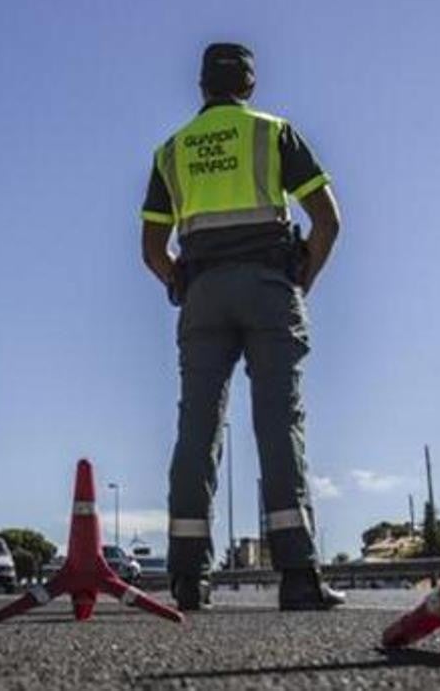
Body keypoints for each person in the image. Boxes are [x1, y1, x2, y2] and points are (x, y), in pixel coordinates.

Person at [140, 43, 344, 611]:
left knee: (196, 430)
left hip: (202, 295)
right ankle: (299, 575)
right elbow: (327, 218)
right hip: (268, 288)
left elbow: (152, 247)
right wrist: (304, 279)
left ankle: (186, 577)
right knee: (279, 423)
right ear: (250, 86)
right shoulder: (273, 131)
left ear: (202, 86)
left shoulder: (172, 150)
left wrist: (178, 283)